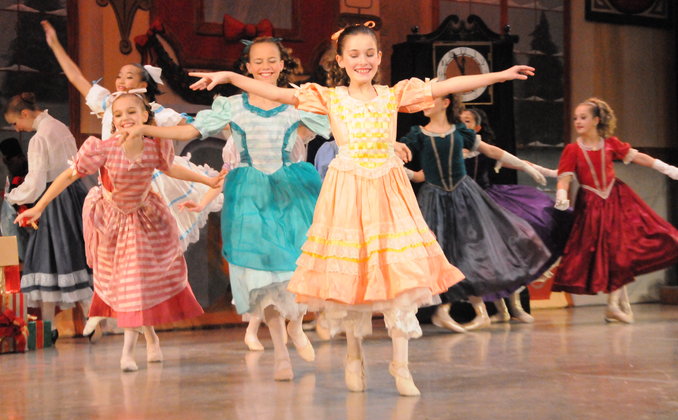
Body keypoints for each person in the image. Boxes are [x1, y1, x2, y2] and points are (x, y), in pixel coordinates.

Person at [187, 23, 536, 396]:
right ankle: (354, 354)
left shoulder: (392, 95)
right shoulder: (330, 97)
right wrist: (229, 77)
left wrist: (500, 74)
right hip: (348, 193)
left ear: (379, 57)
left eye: (369, 54)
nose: (362, 61)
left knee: (399, 274)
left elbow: (444, 86)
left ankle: (401, 364)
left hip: (388, 192)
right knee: (353, 276)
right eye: (353, 54)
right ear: (341, 60)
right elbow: (276, 93)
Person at [118, 37, 330, 381]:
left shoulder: (297, 102)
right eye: (257, 61)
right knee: (262, 279)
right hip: (250, 197)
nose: (265, 67)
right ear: (247, 67)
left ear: (282, 64)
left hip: (290, 195)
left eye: (271, 60)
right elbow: (191, 129)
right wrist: (144, 127)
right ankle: (280, 352)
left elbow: (340, 126)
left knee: (294, 273)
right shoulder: (232, 106)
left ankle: (296, 324)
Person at [42, 20, 223, 339]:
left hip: (146, 182)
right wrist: (55, 45)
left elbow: (188, 130)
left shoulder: (154, 113)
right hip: (112, 182)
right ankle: (104, 308)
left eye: (129, 76)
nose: (121, 80)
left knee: (142, 260)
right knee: (109, 257)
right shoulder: (109, 104)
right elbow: (77, 78)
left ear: (143, 84)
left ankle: (142, 315)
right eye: (119, 76)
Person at [16, 93, 221, 371]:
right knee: (129, 285)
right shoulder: (104, 148)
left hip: (145, 220)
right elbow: (69, 175)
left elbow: (170, 168)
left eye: (132, 112)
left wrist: (207, 180)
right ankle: (149, 338)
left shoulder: (154, 147)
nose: (125, 118)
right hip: (111, 222)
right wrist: (39, 207)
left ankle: (130, 352)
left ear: (145, 116)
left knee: (138, 284)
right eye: (119, 114)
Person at [400, 95, 551, 333]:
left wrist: (526, 166)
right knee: (439, 255)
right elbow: (396, 159)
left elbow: (490, 150)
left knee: (469, 252)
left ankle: (469, 312)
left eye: (430, 101)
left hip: (464, 197)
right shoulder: (418, 134)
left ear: (445, 103)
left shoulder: (460, 132)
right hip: (434, 198)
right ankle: (443, 310)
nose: (424, 106)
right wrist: (406, 172)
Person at [552, 98, 678, 323]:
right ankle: (619, 304)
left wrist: (665, 167)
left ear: (596, 120)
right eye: (575, 118)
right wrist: (561, 195)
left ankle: (613, 305)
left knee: (621, 248)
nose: (578, 122)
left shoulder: (610, 144)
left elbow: (637, 156)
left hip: (616, 199)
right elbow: (564, 177)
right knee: (606, 252)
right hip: (591, 204)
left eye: (583, 117)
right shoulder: (573, 149)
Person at [460, 107, 573, 324]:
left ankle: (515, 307)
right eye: (460, 120)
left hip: (491, 202)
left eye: (467, 121)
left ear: (477, 127)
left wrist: (549, 172)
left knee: (509, 253)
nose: (462, 124)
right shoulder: (452, 149)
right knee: (487, 259)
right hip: (467, 207)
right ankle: (500, 310)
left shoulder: (484, 149)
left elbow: (519, 163)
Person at [3, 93, 92, 336]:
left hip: (55, 199)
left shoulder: (40, 138)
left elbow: (36, 182)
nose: (17, 128)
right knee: (66, 256)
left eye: (15, 123)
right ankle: (67, 323)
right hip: (74, 194)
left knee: (53, 258)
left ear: (25, 114)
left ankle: (62, 325)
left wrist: (13, 196)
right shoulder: (60, 126)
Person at [0, 138, 30, 260]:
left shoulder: (17, 163)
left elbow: (18, 183)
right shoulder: (18, 162)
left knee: (16, 236)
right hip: (13, 202)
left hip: (19, 205)